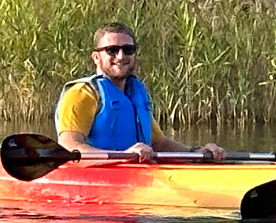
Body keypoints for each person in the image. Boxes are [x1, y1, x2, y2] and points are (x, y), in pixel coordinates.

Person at [56, 22, 226, 163]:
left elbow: (158, 143)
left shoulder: (135, 93)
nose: (121, 56)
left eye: (128, 50)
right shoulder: (82, 94)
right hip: (99, 176)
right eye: (112, 50)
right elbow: (69, 146)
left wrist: (196, 153)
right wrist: (121, 158)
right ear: (96, 57)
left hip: (138, 171)